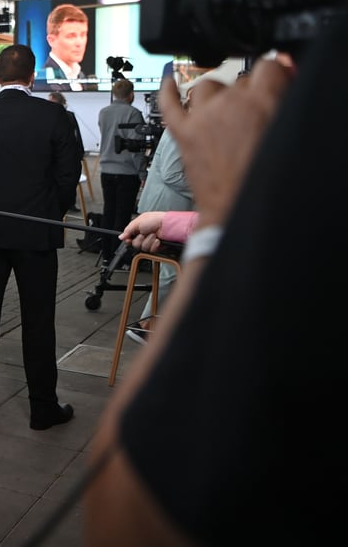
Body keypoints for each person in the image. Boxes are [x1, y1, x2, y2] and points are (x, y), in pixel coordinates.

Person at [82, 48, 335, 544]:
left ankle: (160, 331)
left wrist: (217, 213)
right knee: (165, 284)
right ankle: (156, 326)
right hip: (170, 211)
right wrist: (201, 213)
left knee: (175, 295)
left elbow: (126, 510)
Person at [0, 44, 80, 429]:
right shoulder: (54, 116)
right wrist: (47, 214)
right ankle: (42, 407)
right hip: (36, 235)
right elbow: (67, 175)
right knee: (38, 320)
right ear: (32, 74)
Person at [124, 124, 192, 345]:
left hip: (173, 210)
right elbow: (172, 174)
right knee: (170, 271)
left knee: (171, 271)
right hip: (165, 209)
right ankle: (145, 326)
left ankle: (149, 324)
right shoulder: (181, 127)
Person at [97, 78, 147, 264]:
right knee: (123, 214)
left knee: (109, 211)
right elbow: (136, 148)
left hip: (106, 170)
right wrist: (142, 172)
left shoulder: (104, 112)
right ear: (131, 94)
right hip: (127, 172)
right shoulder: (133, 114)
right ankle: (120, 257)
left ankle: (106, 254)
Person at [46, 91, 86, 211]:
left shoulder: (67, 116)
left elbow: (76, 135)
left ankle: (69, 202)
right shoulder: (52, 116)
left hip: (66, 155)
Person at [41, 3, 93, 92]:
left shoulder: (80, 75)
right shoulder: (44, 81)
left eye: (83, 35)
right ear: (52, 40)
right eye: (71, 36)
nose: (79, 43)